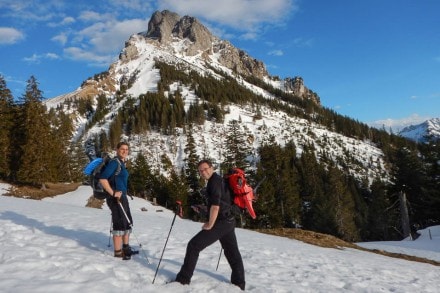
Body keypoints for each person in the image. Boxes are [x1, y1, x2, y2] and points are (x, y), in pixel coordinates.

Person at [175, 159, 246, 290]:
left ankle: (182, 281)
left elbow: (215, 206)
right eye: (200, 171)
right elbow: (221, 201)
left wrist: (210, 223)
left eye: (205, 169)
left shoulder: (214, 182)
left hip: (221, 222)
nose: (203, 172)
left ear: (212, 167)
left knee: (193, 245)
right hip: (229, 221)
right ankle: (239, 283)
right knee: (232, 252)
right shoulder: (218, 180)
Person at [99, 141, 135, 260]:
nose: (125, 151)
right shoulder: (114, 163)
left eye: (126, 149)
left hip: (122, 196)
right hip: (115, 198)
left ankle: (126, 248)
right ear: (117, 150)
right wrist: (113, 193)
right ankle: (118, 252)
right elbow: (103, 179)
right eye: (122, 149)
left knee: (127, 221)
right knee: (119, 223)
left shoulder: (122, 163)